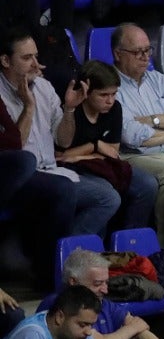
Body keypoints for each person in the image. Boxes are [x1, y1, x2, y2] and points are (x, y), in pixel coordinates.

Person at [0, 31, 125, 250]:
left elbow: (64, 141)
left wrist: (69, 110)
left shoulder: (43, 86)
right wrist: (28, 108)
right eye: (27, 58)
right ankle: (52, 263)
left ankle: (69, 254)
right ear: (5, 60)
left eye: (36, 57)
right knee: (64, 189)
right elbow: (14, 151)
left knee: (108, 197)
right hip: (17, 179)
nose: (36, 64)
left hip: (52, 169)